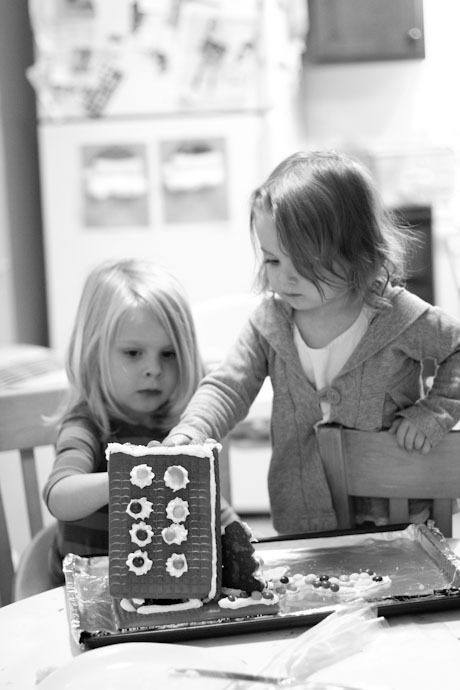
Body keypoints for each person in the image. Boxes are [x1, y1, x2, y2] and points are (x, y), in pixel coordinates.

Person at [164, 150, 460, 534]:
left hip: (398, 516)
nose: (285, 279)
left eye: (304, 262)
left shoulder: (395, 313)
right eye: (272, 261)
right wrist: (192, 430)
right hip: (307, 520)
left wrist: (433, 411)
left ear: (357, 251)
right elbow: (227, 386)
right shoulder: (269, 323)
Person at [43, 258, 238, 584]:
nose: (154, 369)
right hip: (84, 591)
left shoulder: (178, 429)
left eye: (168, 354)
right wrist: (130, 475)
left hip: (156, 587)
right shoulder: (89, 424)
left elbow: (209, 503)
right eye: (133, 353)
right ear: (95, 353)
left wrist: (238, 538)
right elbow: (60, 495)